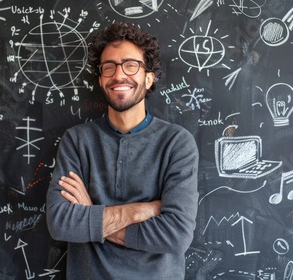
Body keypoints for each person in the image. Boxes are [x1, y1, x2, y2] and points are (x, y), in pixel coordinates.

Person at [46, 21, 199, 280]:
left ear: (149, 78)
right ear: (100, 78)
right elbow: (61, 223)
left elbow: (176, 235)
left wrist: (91, 212)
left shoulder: (177, 143)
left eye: (131, 65)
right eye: (109, 67)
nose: (118, 76)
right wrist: (141, 210)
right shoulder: (77, 141)